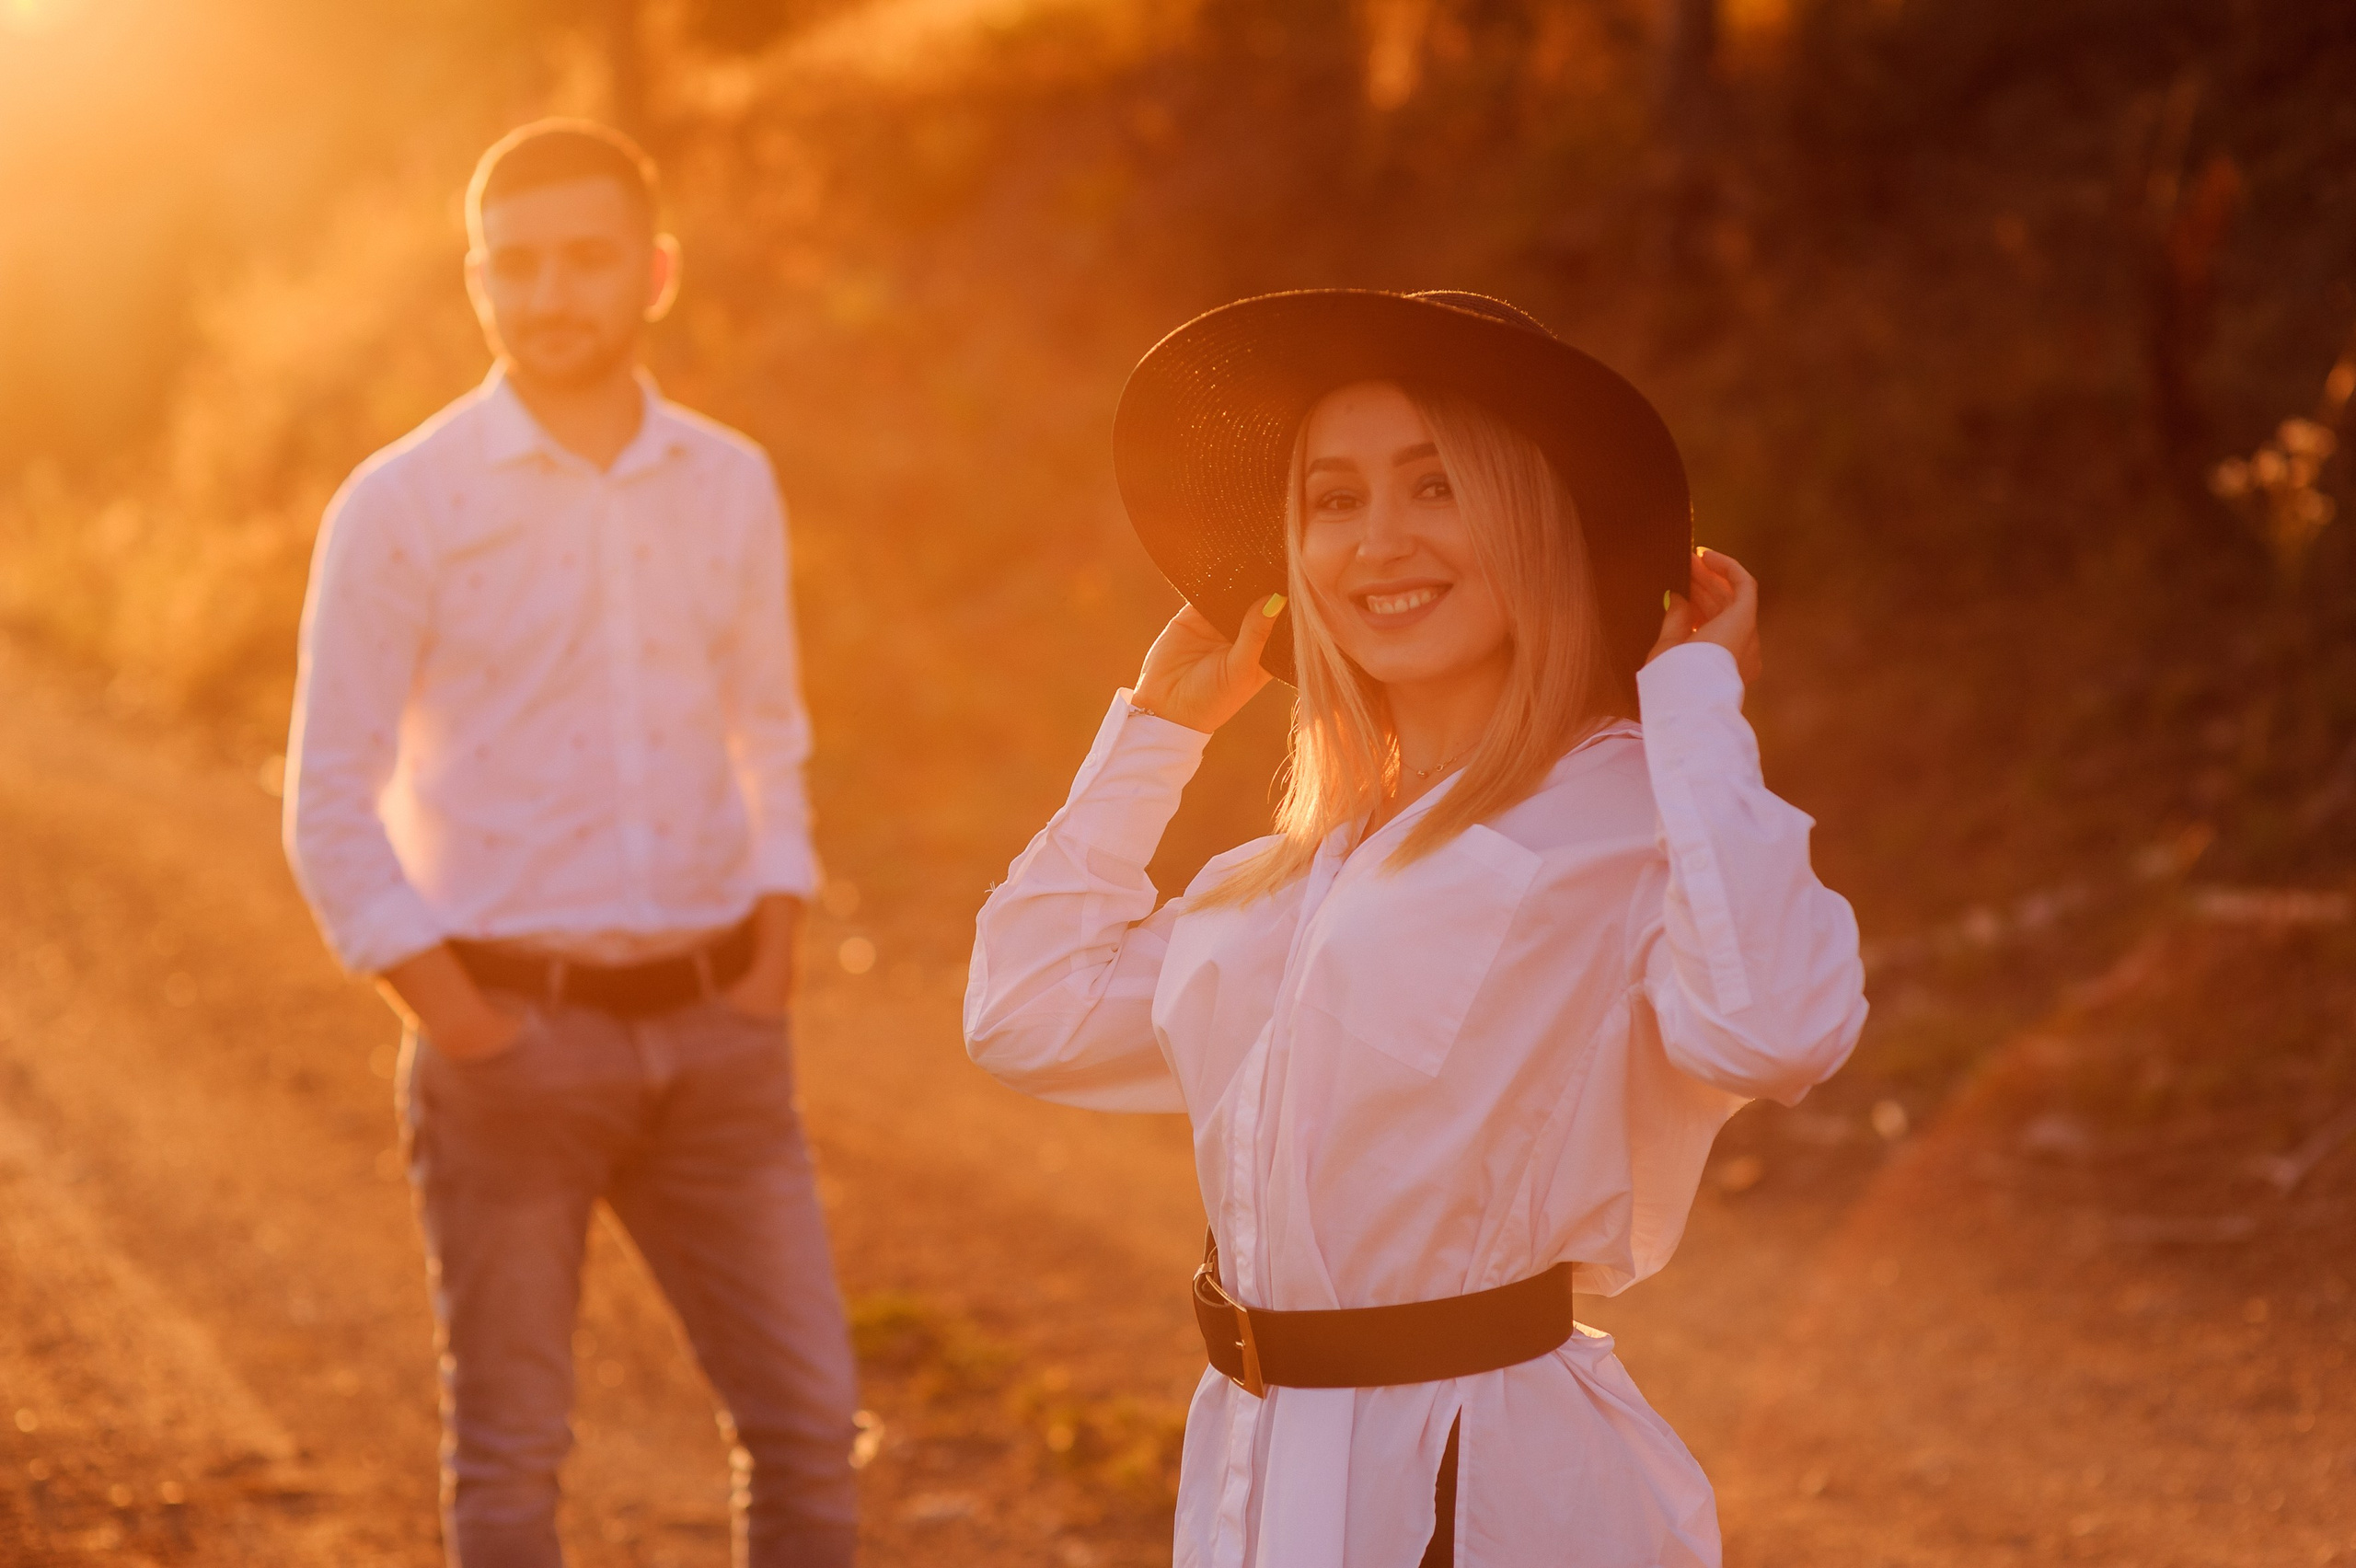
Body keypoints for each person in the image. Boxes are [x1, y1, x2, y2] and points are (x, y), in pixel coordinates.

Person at [964, 290, 1868, 1568]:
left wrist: (1698, 708)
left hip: (1469, 1493)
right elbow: (1025, 1013)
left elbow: (1779, 1028)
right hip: (1258, 1476)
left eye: (1436, 486)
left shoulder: (1620, 813)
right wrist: (1154, 735)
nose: (1378, 541)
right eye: (1334, 500)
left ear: (1536, 515)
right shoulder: (1296, 867)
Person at [283, 120, 858, 1568]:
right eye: (514, 265)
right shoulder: (401, 503)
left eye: (586, 260)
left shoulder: (731, 480)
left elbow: (769, 731)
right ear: (475, 283)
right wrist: (466, 1028)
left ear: (654, 271)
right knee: (515, 1460)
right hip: (510, 1053)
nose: (551, 296)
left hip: (724, 1042)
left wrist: (773, 955)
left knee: (808, 1430)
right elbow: (327, 801)